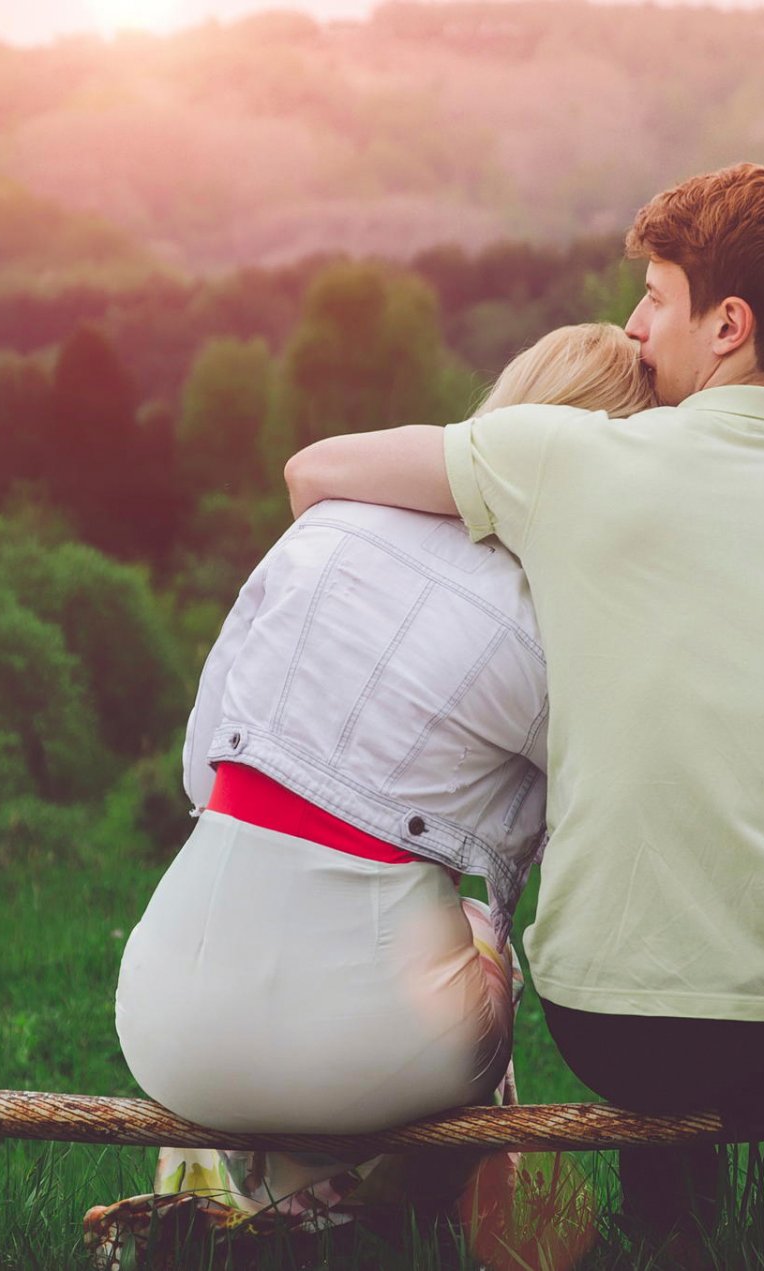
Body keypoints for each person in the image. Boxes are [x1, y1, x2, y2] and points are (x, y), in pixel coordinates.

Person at [281, 163, 764, 1239]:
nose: (635, 327)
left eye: (654, 294)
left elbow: (317, 471)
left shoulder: (571, 459)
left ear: (728, 324)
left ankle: (679, 1238)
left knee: (658, 986)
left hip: (614, 1029)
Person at [99, 324, 653, 1256]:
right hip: (369, 1044)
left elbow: (202, 770)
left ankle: (226, 1217)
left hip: (163, 1017)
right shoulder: (563, 617)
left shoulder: (327, 528)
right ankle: (419, 1236)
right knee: (474, 945)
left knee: (319, 954)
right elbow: (583, 848)